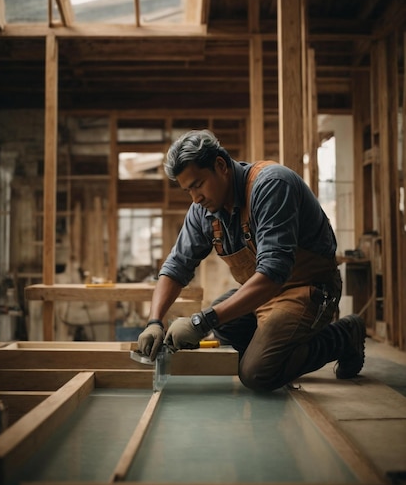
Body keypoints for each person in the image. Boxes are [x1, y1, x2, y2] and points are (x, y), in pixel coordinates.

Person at [137, 129, 366, 392]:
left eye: (198, 184)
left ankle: (344, 336)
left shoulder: (271, 186)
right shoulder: (203, 210)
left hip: (309, 290)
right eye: (188, 190)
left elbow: (273, 272)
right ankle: (279, 351)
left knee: (256, 373)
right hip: (264, 295)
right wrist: (154, 321)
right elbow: (177, 266)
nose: (195, 198)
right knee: (226, 327)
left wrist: (202, 321)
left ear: (220, 166)